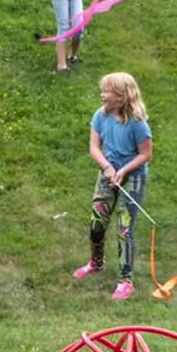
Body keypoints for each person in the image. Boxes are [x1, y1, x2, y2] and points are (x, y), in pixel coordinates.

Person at [73, 72, 152, 299]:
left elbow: (145, 154)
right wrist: (107, 168)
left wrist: (124, 170)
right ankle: (96, 263)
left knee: (124, 228)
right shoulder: (100, 116)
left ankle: (125, 280)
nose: (102, 94)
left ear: (121, 96)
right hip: (107, 174)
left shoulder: (138, 123)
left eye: (107, 91)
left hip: (133, 177)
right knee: (96, 224)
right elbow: (94, 147)